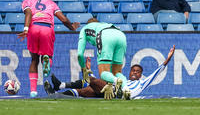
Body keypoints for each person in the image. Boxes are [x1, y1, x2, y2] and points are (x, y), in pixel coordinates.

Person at [44, 44, 175, 99]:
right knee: (83, 91)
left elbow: (157, 71)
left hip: (117, 94)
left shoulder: (142, 83)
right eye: (133, 71)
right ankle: (55, 93)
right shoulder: (123, 79)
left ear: (141, 75)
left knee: (92, 81)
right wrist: (89, 69)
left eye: (138, 72)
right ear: (129, 73)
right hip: (108, 91)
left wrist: (168, 59)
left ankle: (61, 85)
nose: (135, 73)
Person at [17, 0, 80, 98]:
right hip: (47, 28)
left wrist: (26, 29)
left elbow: (29, 13)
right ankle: (47, 60)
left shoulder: (27, 1)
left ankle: (33, 91)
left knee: (34, 59)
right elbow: (63, 18)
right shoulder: (50, 2)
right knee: (47, 55)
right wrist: (72, 27)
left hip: (33, 27)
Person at [77, 18, 129, 100]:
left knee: (103, 73)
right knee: (117, 72)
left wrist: (84, 69)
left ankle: (116, 80)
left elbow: (80, 54)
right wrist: (109, 84)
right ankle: (126, 88)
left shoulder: (84, 29)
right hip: (121, 34)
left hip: (104, 35)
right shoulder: (104, 24)